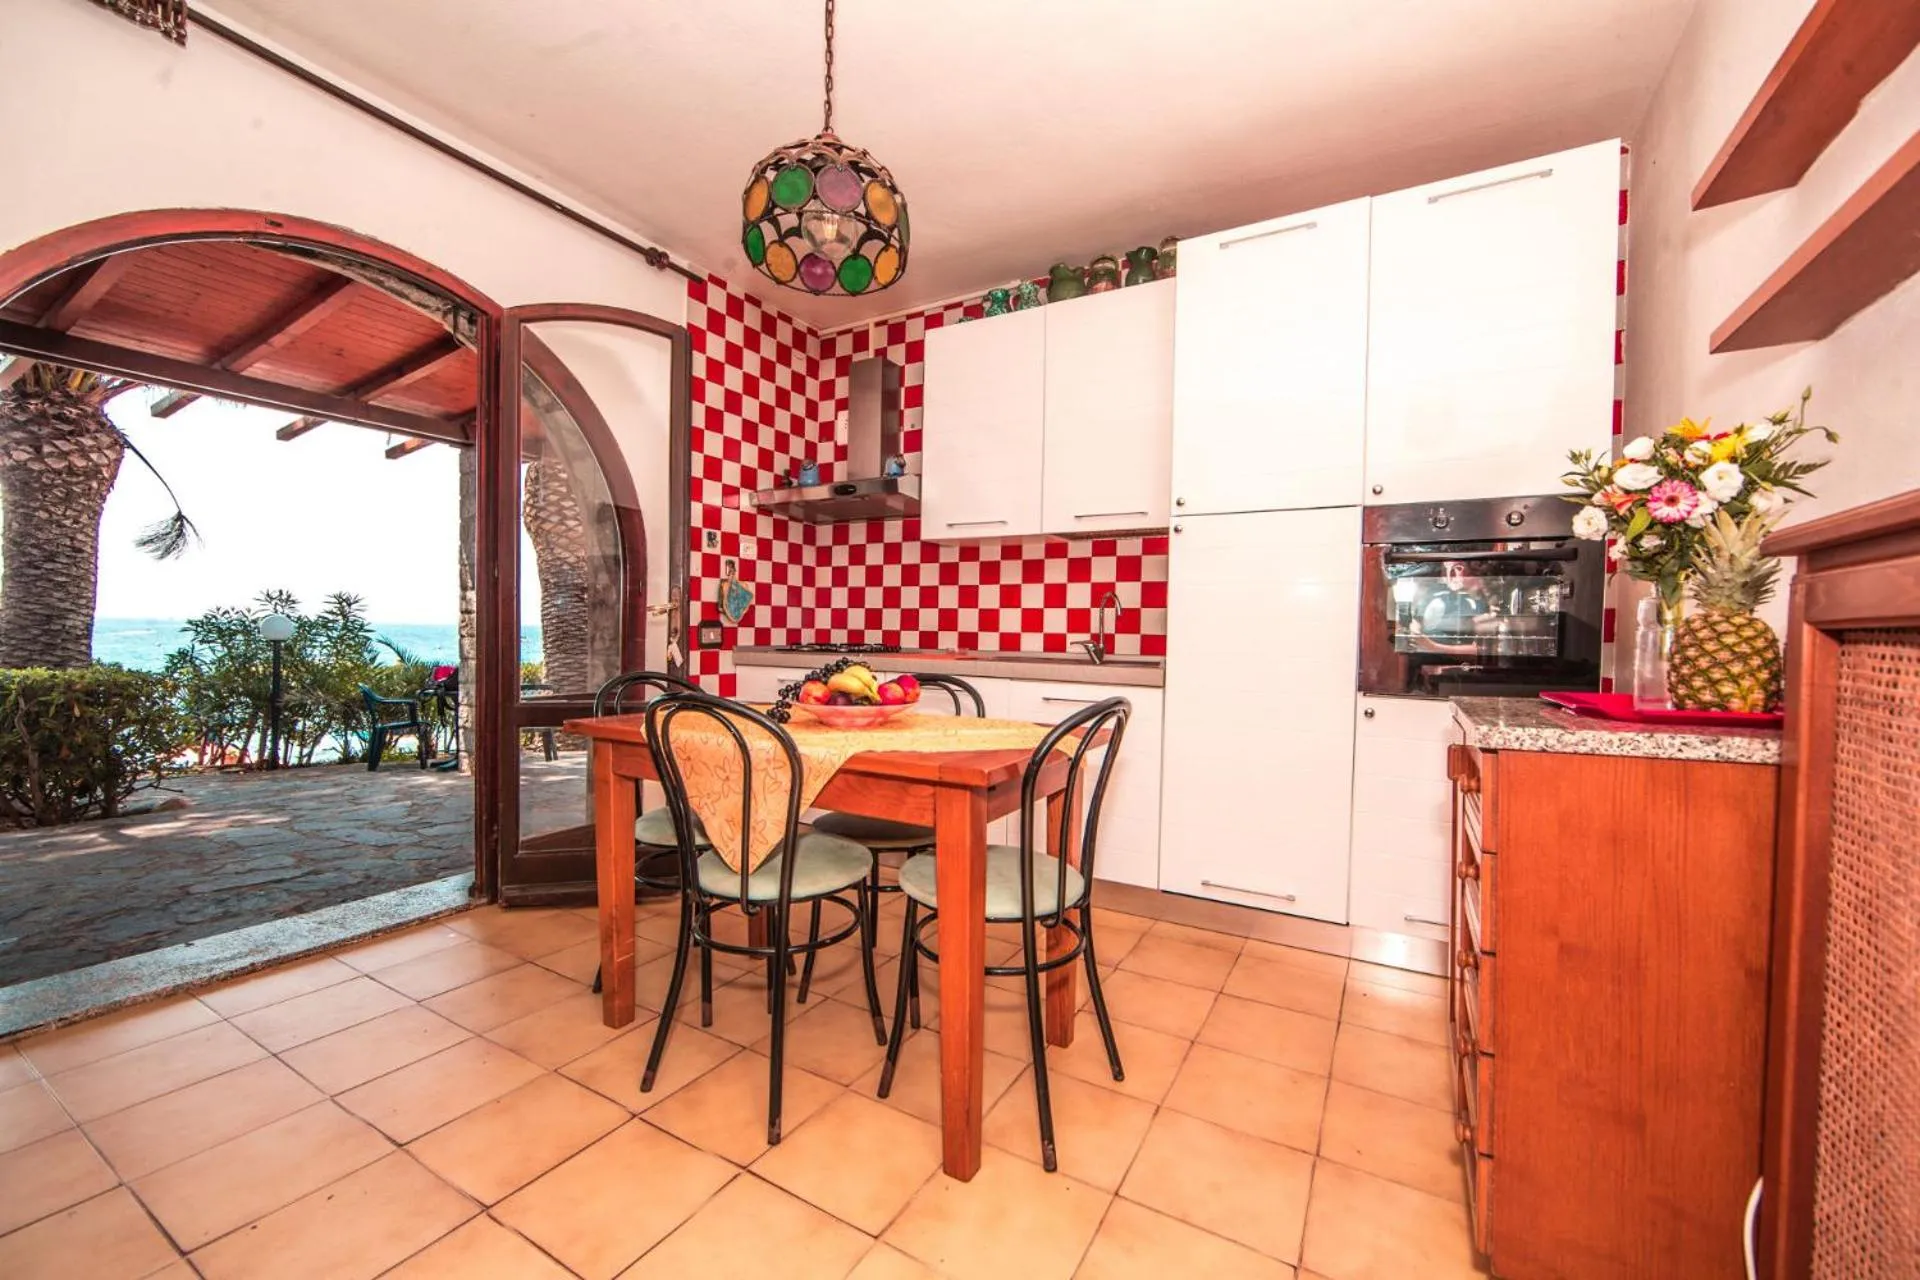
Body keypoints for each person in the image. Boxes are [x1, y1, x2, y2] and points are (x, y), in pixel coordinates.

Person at [1419, 561, 1488, 636]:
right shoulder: (1435, 595)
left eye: (1458, 568)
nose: (1454, 575)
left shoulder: (1477, 597)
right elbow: (1420, 622)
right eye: (1448, 570)